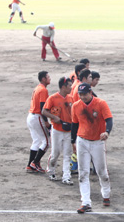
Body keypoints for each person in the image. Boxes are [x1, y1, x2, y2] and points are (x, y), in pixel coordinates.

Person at [71, 83, 113, 213]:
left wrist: (106, 132)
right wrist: (73, 141)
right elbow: (74, 124)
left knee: (102, 172)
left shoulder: (101, 103)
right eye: (80, 94)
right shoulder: (76, 106)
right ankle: (86, 202)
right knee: (83, 173)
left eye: (85, 94)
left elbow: (109, 119)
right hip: (82, 141)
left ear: (90, 92)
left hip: (97, 142)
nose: (83, 97)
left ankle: (106, 195)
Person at [42, 76, 74, 185]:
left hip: (68, 130)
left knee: (67, 154)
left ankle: (66, 176)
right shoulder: (52, 98)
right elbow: (44, 111)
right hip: (56, 130)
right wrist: (54, 118)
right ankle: (51, 171)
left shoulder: (71, 98)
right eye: (69, 85)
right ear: (64, 87)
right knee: (55, 153)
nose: (71, 87)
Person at [26, 71, 51, 173]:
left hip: (30, 117)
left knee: (36, 141)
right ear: (43, 79)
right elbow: (42, 107)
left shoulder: (38, 88)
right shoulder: (43, 90)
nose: (50, 78)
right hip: (37, 117)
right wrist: (46, 121)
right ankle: (35, 163)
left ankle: (30, 165)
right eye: (48, 77)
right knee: (47, 142)